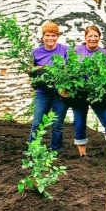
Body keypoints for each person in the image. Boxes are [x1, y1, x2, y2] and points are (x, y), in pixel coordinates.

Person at [70, 25, 106, 157]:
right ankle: (83, 155)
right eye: (90, 36)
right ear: (85, 38)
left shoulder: (105, 54)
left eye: (96, 36)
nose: (93, 38)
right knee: (79, 123)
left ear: (100, 38)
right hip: (79, 94)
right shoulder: (76, 51)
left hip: (98, 93)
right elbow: (68, 71)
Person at [30, 21, 70, 152]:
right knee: (37, 123)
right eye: (48, 35)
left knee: (57, 124)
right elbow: (31, 71)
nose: (50, 38)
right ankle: (34, 149)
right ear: (43, 37)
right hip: (43, 92)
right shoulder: (36, 52)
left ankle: (55, 150)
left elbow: (70, 69)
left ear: (57, 37)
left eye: (53, 35)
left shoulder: (65, 50)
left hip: (60, 92)